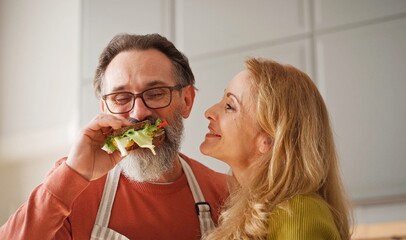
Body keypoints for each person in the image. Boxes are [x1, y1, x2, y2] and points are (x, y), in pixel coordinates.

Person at [0, 33, 228, 240]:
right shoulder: (72, 187)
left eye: (156, 94)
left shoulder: (225, 192)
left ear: (186, 101)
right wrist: (73, 174)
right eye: (121, 98)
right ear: (105, 110)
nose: (139, 113)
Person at [200, 57, 352, 240]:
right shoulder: (242, 210)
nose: (209, 112)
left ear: (269, 140)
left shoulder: (298, 212)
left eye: (230, 106)